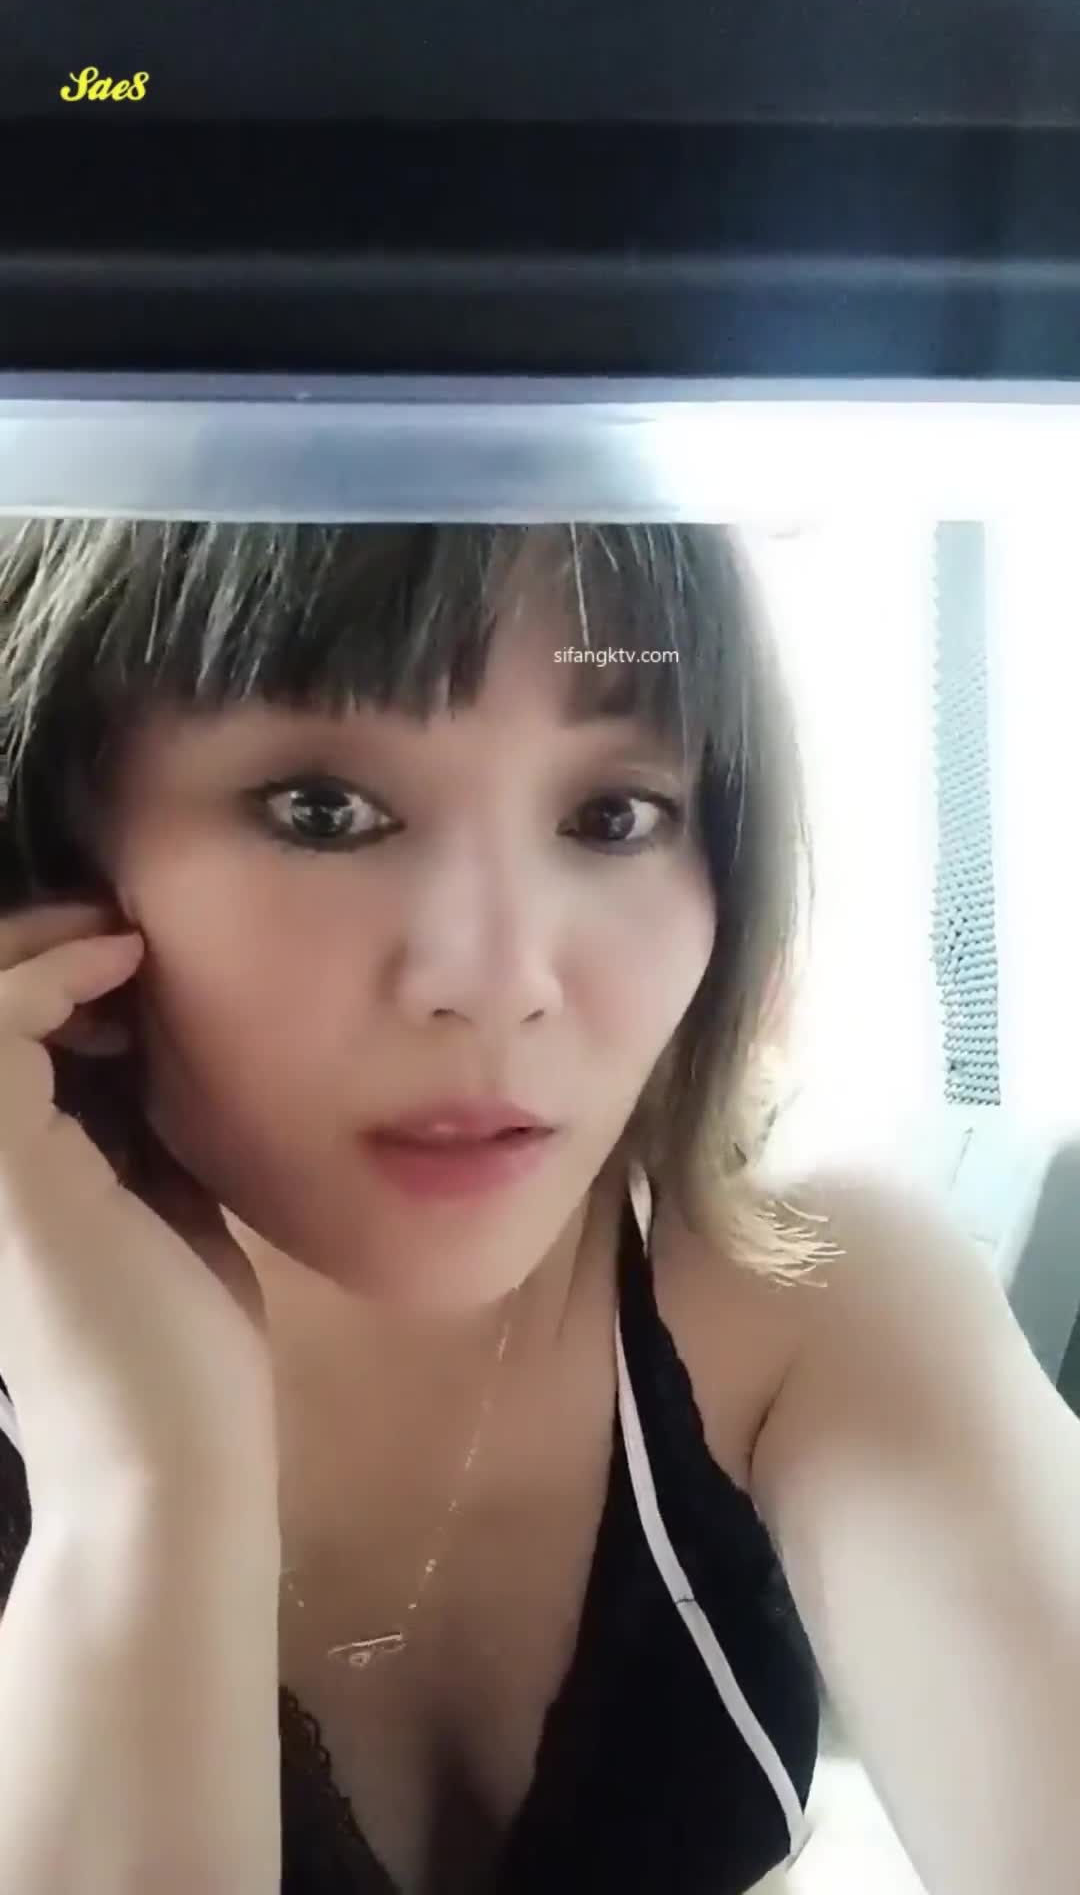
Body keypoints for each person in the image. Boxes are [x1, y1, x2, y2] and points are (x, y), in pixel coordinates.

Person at [0, 518, 1073, 1895]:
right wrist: (143, 1489)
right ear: (51, 860)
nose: (503, 980)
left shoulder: (806, 1292)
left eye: (612, 817)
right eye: (323, 811)